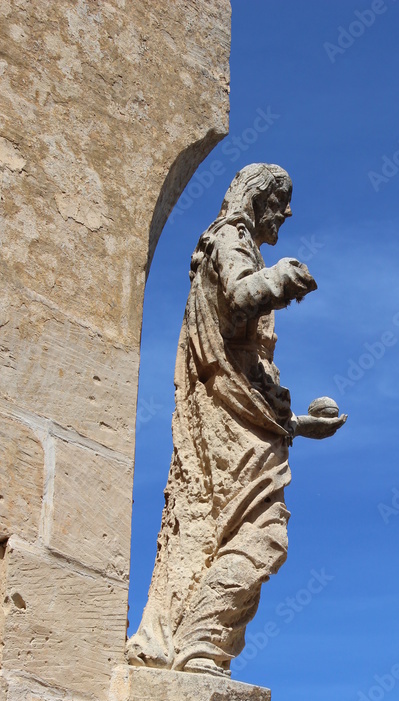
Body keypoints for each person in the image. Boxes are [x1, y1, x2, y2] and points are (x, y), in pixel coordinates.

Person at [126, 163, 346, 675]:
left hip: (251, 422)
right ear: (257, 196)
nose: (287, 212)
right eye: (281, 199)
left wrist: (298, 425)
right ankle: (199, 647)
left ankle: (196, 644)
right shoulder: (230, 236)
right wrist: (284, 276)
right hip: (230, 422)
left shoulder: (240, 243)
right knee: (263, 533)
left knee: (238, 530)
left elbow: (249, 362)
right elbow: (241, 295)